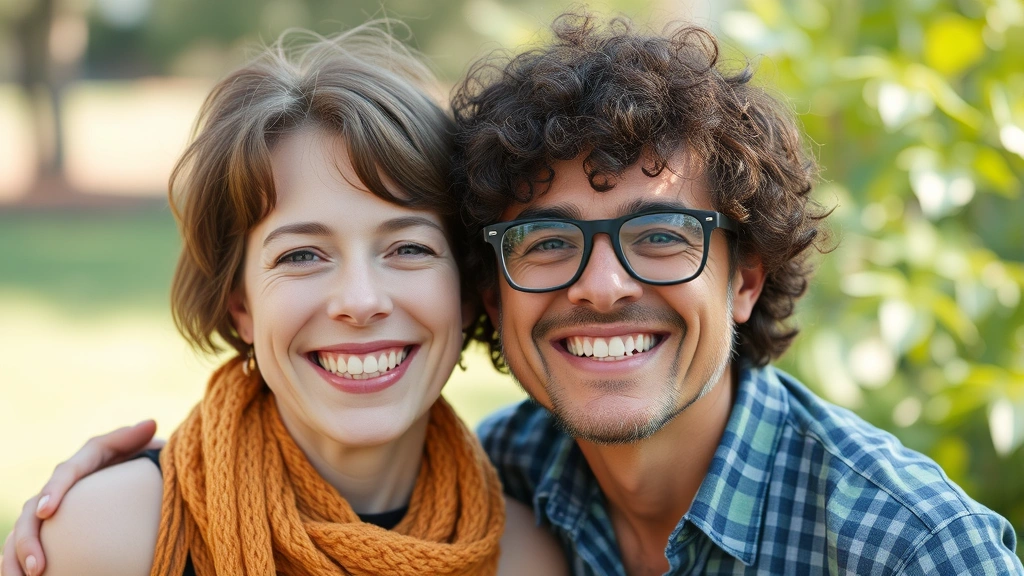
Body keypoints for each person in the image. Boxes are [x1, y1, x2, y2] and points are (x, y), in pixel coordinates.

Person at [6, 11, 1023, 576]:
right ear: (491, 291)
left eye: (660, 237)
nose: (602, 284)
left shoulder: (912, 548)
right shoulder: (520, 480)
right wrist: (106, 506)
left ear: (745, 275)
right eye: (546, 245)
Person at [0, 25, 567, 576]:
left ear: (467, 294)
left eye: (408, 248)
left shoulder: (522, 557)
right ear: (239, 304)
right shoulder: (112, 538)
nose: (360, 300)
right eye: (301, 256)